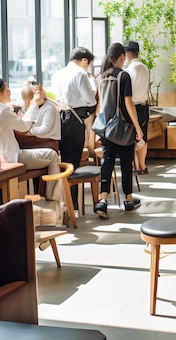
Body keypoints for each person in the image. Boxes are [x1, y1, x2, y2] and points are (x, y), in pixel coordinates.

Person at [0, 78, 66, 223]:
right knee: (52, 154)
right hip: (11, 158)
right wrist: (34, 104)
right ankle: (54, 201)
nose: (10, 92)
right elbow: (24, 127)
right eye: (7, 89)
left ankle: (51, 201)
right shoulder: (2, 111)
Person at [93, 42, 144, 219]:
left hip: (105, 127)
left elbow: (100, 105)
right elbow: (128, 103)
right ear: (121, 58)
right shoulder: (124, 76)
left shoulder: (101, 77)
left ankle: (103, 200)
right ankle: (128, 199)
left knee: (107, 162)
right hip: (123, 128)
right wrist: (138, 127)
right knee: (126, 162)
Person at [51, 47, 97, 198]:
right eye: (88, 63)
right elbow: (90, 100)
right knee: (73, 161)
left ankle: (64, 199)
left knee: (64, 159)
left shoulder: (57, 74)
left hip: (60, 117)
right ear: (84, 60)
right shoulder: (80, 73)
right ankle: (73, 201)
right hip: (75, 118)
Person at [124, 41, 150, 176]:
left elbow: (129, 92)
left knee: (133, 137)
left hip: (133, 107)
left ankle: (136, 167)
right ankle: (142, 166)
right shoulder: (144, 67)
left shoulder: (131, 70)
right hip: (144, 106)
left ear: (127, 54)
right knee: (143, 136)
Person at [16, 81, 61, 153]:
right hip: (36, 140)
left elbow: (45, 128)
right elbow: (25, 123)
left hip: (46, 142)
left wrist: (30, 132)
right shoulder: (34, 105)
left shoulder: (49, 107)